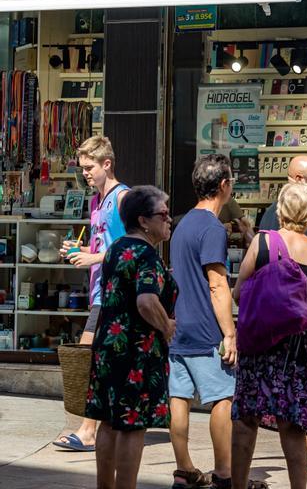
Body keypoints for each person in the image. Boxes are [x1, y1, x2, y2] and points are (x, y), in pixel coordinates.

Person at [230, 183, 307, 489]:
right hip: (301, 354)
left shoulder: (264, 242)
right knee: (292, 425)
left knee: (246, 419)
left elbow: (240, 292)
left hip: (261, 348)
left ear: (279, 210)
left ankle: (237, 484)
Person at [84, 185, 176, 489]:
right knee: (132, 425)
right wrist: (166, 326)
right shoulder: (147, 254)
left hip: (108, 346)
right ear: (143, 220)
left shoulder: (115, 249)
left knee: (109, 420)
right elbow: (146, 302)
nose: (169, 219)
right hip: (137, 349)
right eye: (163, 214)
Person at [169, 154, 250, 489]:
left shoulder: (184, 223)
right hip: (205, 326)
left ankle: (184, 469)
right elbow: (217, 283)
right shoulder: (212, 228)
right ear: (224, 186)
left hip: (180, 324)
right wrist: (230, 333)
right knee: (223, 396)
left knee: (180, 397)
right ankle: (224, 472)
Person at [256, 155, 307, 470]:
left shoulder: (269, 215)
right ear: (299, 179)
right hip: (302, 312)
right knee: (300, 381)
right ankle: (304, 447)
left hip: (274, 312)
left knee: (281, 380)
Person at [54, 136, 130, 453]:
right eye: (82, 167)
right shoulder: (96, 201)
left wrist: (93, 258)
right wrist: (80, 250)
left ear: (106, 164)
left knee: (88, 357)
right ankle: (105, 425)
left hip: (113, 292)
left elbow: (130, 247)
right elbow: (103, 244)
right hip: (100, 289)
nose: (84, 173)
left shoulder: (123, 197)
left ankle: (87, 430)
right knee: (103, 361)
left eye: (89, 167)